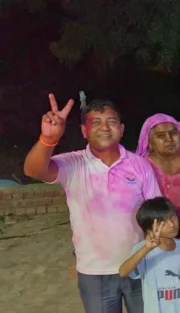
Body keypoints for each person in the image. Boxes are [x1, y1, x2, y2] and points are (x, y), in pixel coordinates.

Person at [23, 95, 161, 313]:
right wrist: (48, 140)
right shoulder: (74, 164)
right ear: (84, 131)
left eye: (111, 121)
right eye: (96, 122)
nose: (105, 127)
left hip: (139, 264)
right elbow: (33, 170)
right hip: (95, 272)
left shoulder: (139, 164)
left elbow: (155, 210)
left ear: (122, 129)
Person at [119, 197, 180, 313]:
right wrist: (146, 249)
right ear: (149, 228)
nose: (171, 224)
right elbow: (123, 271)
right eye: (161, 222)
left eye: (172, 217)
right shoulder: (142, 249)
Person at [136, 113, 180, 240]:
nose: (169, 139)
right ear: (149, 143)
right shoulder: (142, 165)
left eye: (173, 133)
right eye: (161, 136)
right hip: (162, 231)